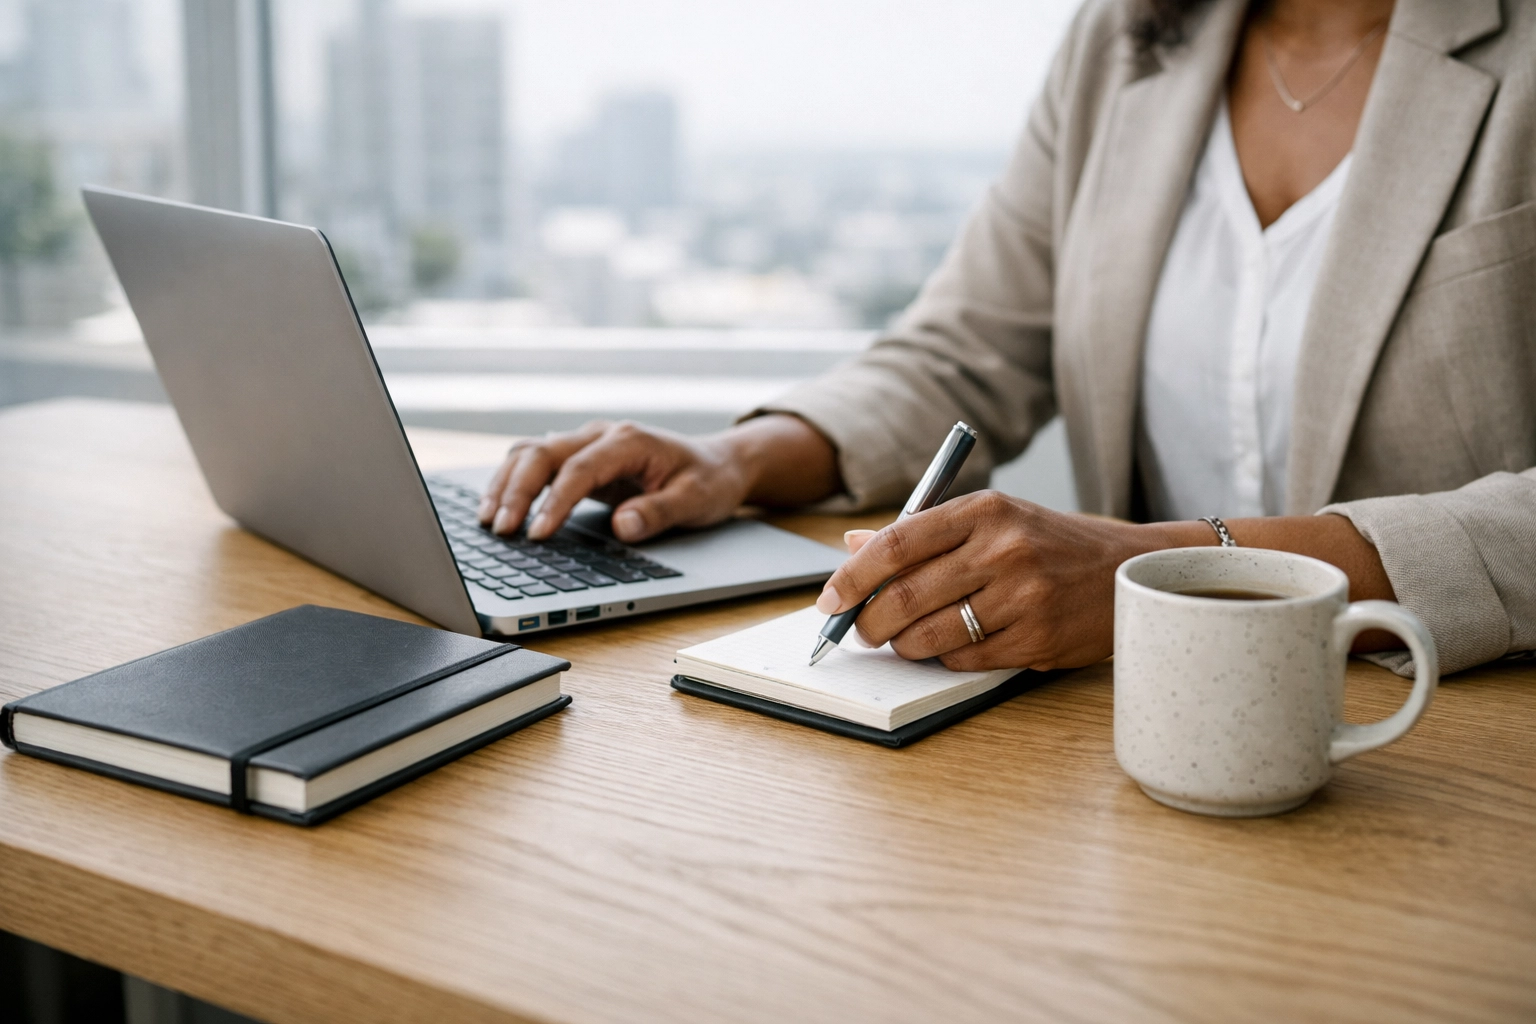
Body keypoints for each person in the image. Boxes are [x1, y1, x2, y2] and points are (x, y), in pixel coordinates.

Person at [479, 0, 1535, 677]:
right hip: (1147, 726)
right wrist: (737, 457)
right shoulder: (1122, 43)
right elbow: (966, 345)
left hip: (1448, 734)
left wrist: (1161, 570)